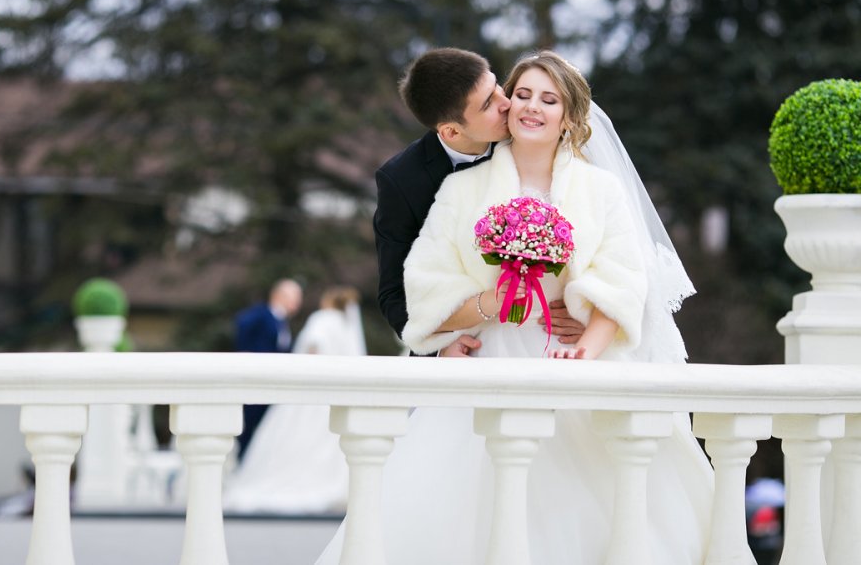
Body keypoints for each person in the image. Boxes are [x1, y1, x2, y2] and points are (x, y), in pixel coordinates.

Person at [315, 51, 736, 563]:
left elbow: (623, 282)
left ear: (570, 117)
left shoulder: (601, 189)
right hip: (489, 364)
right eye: (521, 94)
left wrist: (584, 349)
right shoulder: (457, 187)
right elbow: (418, 293)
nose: (524, 105)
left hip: (575, 365)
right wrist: (490, 306)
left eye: (547, 99)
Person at [373, 47, 584, 358]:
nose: (507, 102)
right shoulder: (402, 180)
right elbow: (395, 294)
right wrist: (440, 348)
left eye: (497, 86)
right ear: (451, 131)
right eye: (488, 104)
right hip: (473, 346)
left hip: (550, 340)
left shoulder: (532, 131)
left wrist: (584, 315)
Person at [223, 286, 366, 515]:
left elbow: (314, 345)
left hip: (310, 393)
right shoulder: (345, 325)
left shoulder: (322, 318)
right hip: (333, 396)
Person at [233, 278, 303, 459]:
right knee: (248, 424)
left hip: (273, 384)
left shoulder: (283, 322)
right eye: (293, 297)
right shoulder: (262, 314)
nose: (297, 303)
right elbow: (242, 325)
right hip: (256, 380)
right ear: (278, 295)